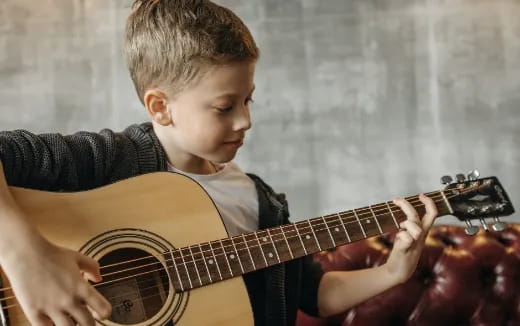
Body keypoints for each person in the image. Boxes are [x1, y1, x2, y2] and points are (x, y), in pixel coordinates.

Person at [0, 0, 438, 325]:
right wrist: (25, 255)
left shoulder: (257, 199)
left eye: (248, 100)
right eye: (224, 106)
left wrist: (393, 273)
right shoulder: (106, 162)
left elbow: (311, 293)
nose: (246, 120)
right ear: (160, 106)